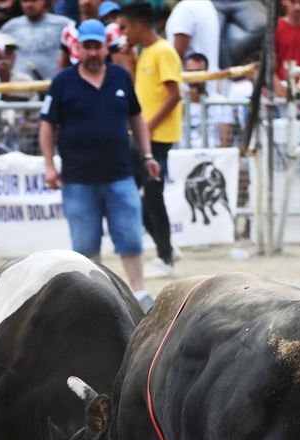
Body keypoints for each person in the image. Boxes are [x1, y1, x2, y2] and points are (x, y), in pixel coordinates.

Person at [40, 19, 160, 310]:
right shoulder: (62, 81)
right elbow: (47, 124)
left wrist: (147, 154)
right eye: (87, 47)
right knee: (85, 245)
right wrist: (48, 165)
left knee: (131, 238)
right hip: (77, 179)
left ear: (106, 48)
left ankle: (140, 293)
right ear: (77, 49)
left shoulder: (120, 77)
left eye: (98, 47)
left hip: (120, 175)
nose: (93, 52)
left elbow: (137, 118)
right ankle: (94, 299)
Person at [119, 1, 180, 278]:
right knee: (135, 195)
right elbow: (139, 91)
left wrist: (149, 127)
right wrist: (131, 61)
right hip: (145, 136)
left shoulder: (163, 51)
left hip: (156, 137)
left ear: (138, 26)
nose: (123, 32)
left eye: (125, 27)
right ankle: (165, 246)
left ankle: (166, 257)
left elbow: (174, 94)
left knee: (152, 196)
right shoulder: (145, 52)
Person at [0, 0, 71, 80]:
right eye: (25, 1)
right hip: (21, 85)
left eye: (34, 1)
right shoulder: (10, 27)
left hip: (53, 82)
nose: (29, 5)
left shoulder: (63, 24)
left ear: (44, 2)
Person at [180, 52, 232, 148]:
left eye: (199, 71)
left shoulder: (221, 102)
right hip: (181, 155)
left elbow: (225, 139)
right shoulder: (177, 102)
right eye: (190, 72)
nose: (194, 77)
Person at [60, 0, 126, 70]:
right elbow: (63, 65)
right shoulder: (69, 29)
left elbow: (119, 68)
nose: (86, 2)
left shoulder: (112, 30)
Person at [166, 0, 219, 73]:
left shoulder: (186, 9)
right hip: (209, 77)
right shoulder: (207, 4)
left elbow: (177, 55)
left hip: (189, 80)